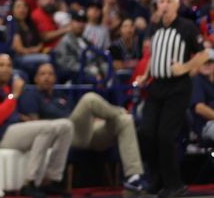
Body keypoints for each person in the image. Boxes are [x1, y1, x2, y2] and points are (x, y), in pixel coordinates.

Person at [17, 61, 146, 193]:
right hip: (63, 136)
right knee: (89, 99)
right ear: (36, 78)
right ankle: (120, 110)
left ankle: (134, 176)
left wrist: (94, 119)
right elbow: (35, 124)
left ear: (55, 78)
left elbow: (78, 115)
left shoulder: (61, 95)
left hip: (83, 133)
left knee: (125, 121)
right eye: (43, 74)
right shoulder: (31, 95)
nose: (47, 77)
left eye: (50, 74)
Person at [136, 0, 209, 198]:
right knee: (146, 133)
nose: (165, 5)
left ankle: (174, 184)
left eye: (169, 1)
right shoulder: (155, 27)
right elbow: (153, 55)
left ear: (177, 5)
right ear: (157, 5)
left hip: (178, 87)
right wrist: (145, 75)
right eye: (162, 2)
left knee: (166, 136)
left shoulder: (187, 27)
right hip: (156, 85)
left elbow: (204, 54)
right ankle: (157, 179)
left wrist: (185, 68)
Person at [0, 54, 74, 198]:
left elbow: (6, 105)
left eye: (9, 65)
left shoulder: (7, 91)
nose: (6, 69)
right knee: (47, 127)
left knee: (66, 126)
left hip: (13, 131)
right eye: (1, 65)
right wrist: (14, 95)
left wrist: (20, 114)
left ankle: (52, 179)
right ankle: (30, 182)